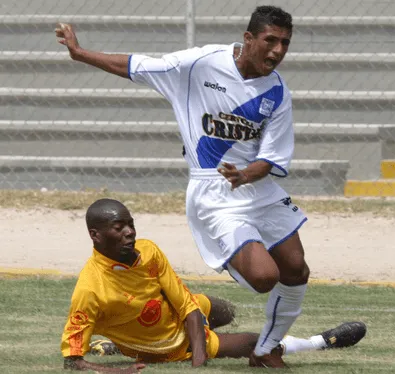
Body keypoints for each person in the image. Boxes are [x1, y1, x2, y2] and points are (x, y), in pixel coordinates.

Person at [56, 6, 317, 368]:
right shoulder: (200, 64)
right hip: (214, 193)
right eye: (270, 40)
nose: (277, 51)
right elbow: (137, 66)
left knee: (297, 270)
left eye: (285, 43)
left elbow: (271, 157)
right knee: (265, 277)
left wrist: (245, 175)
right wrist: (80, 53)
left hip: (257, 188)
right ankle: (225, 271)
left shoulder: (277, 91)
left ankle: (265, 350)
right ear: (248, 39)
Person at [61, 198, 366, 373]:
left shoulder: (148, 250)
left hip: (178, 315)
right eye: (119, 228)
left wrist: (199, 361)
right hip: (166, 346)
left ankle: (117, 344)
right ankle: (320, 342)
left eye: (131, 224)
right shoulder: (91, 290)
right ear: (95, 235)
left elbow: (187, 305)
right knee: (255, 346)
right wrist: (119, 371)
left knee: (222, 309)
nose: (129, 232)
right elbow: (72, 362)